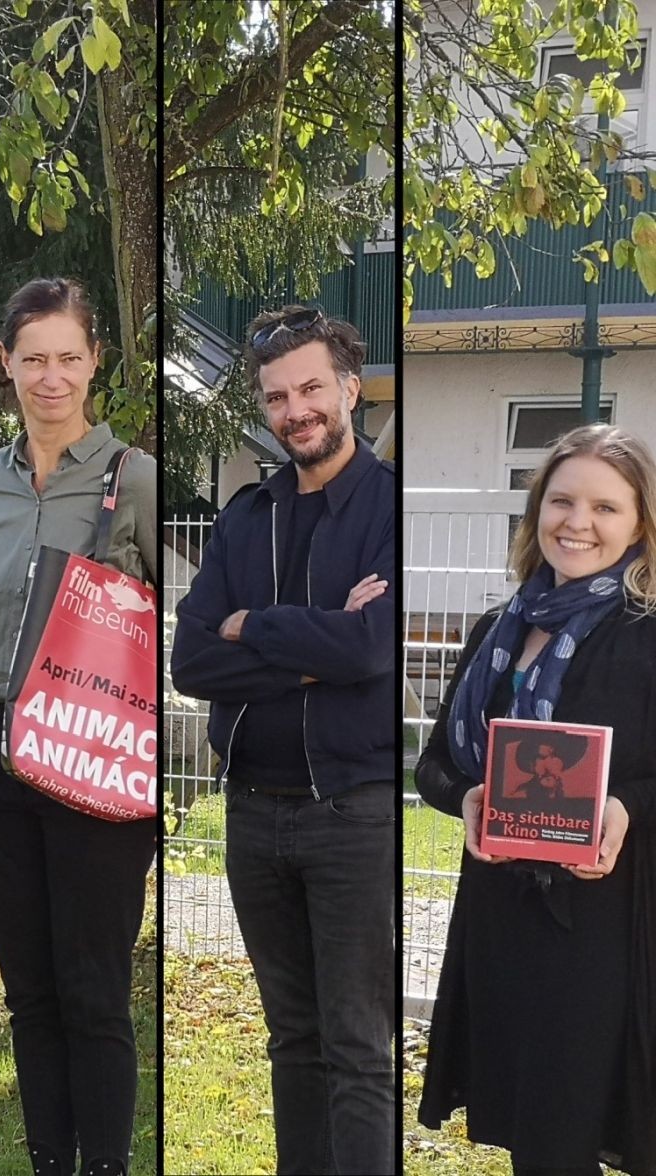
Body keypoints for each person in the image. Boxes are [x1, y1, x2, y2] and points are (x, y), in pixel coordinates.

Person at [171, 306, 395, 1176]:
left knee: (359, 1049)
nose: (295, 409)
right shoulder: (245, 515)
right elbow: (192, 659)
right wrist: (310, 646)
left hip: (350, 813)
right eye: (276, 396)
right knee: (291, 1040)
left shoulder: (386, 504)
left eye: (309, 388)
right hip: (253, 814)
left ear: (347, 388)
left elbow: (370, 649)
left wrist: (250, 629)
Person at [0, 277, 158, 1176]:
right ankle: (49, 1162)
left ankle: (104, 1162)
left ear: (95, 361)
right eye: (34, 358)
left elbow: (163, 614)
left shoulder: (132, 476)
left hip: (91, 756)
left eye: (69, 357)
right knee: (30, 991)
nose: (52, 376)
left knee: (94, 988)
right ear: (8, 364)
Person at [416, 424, 656, 1176]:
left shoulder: (645, 635)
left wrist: (627, 809)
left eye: (606, 508)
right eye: (561, 501)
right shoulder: (497, 630)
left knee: (567, 1132)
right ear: (536, 511)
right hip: (502, 918)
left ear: (642, 522)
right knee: (533, 1136)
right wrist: (469, 800)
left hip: (605, 926)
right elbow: (432, 766)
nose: (577, 523)